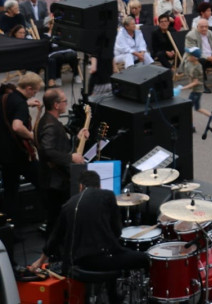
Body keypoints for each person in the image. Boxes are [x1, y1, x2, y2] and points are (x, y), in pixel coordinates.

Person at [30, 170, 148, 304]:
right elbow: (117, 231)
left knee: (111, 258)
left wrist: (39, 262)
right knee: (143, 258)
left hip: (77, 264)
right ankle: (127, 298)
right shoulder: (108, 195)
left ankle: (111, 296)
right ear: (99, 186)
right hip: (103, 260)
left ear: (80, 186)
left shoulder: (68, 205)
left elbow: (54, 238)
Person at [35, 88, 88, 230]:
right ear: (56, 105)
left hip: (55, 180)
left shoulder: (50, 120)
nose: (67, 104)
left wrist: (77, 139)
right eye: (64, 101)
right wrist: (71, 157)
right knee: (56, 221)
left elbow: (59, 146)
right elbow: (47, 150)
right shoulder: (50, 125)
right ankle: (53, 250)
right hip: (55, 182)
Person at [0, 72, 43, 227]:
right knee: (42, 181)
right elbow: (17, 126)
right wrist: (32, 136)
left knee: (10, 191)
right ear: (29, 88)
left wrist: (26, 104)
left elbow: (11, 109)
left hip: (4, 154)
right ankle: (46, 216)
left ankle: (12, 229)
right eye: (35, 91)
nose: (35, 94)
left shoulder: (7, 96)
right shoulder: (20, 104)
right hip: (18, 155)